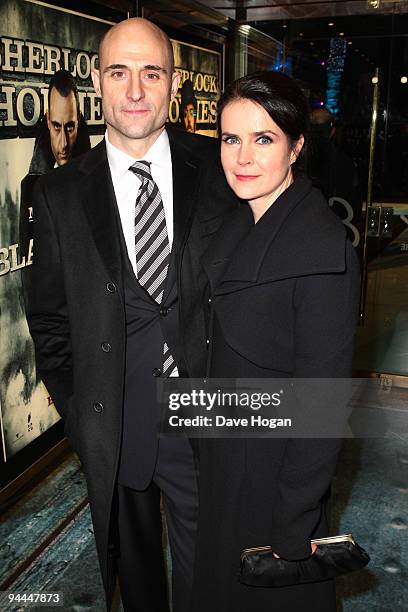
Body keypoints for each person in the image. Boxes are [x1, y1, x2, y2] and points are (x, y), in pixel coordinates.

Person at [25, 18, 237, 612]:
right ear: (98, 80)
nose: (136, 90)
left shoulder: (221, 167)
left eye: (152, 72)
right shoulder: (61, 193)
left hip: (207, 415)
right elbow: (49, 320)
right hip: (116, 423)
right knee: (137, 578)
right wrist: (81, 411)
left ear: (174, 83)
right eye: (119, 72)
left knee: (212, 571)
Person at [192, 72, 360, 611]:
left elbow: (321, 403)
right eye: (230, 138)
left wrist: (292, 526)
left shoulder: (322, 247)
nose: (243, 156)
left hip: (274, 481)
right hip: (224, 466)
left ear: (296, 146)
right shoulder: (238, 221)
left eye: (263, 139)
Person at [308, 107, 362, 247]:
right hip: (335, 233)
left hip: (300, 235)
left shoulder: (294, 159)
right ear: (332, 131)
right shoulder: (344, 162)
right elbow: (354, 204)